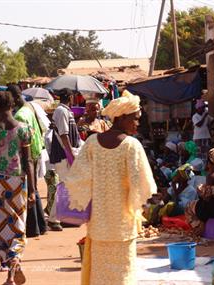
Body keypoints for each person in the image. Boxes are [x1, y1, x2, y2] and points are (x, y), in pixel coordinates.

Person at [64, 91, 156, 285]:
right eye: (135, 119)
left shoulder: (91, 143)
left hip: (99, 224)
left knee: (101, 274)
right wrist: (138, 207)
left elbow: (76, 179)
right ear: (122, 118)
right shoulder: (132, 146)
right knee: (123, 273)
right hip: (122, 225)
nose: (137, 124)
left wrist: (87, 199)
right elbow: (142, 185)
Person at [0, 91, 35, 285]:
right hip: (19, 183)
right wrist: (34, 190)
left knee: (1, 225)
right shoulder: (24, 130)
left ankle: (11, 272)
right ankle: (13, 267)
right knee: (18, 226)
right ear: (12, 106)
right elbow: (28, 161)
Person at [8, 84, 47, 238]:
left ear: (15, 98)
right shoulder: (29, 107)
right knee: (34, 189)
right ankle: (40, 226)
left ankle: (33, 228)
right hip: (36, 151)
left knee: (30, 190)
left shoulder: (20, 116)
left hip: (29, 154)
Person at [48, 88, 82, 231]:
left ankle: (63, 217)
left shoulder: (66, 111)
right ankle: (53, 219)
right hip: (64, 155)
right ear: (70, 97)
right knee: (65, 186)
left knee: (68, 186)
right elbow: (64, 135)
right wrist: (70, 155)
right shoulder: (61, 111)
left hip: (68, 153)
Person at [192, 99, 214, 163]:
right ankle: (199, 167)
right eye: (202, 108)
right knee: (199, 154)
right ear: (198, 108)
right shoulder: (195, 116)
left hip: (206, 136)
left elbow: (212, 120)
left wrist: (209, 126)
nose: (203, 109)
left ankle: (206, 166)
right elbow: (199, 124)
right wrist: (204, 117)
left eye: (204, 107)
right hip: (198, 137)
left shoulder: (206, 115)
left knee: (206, 153)